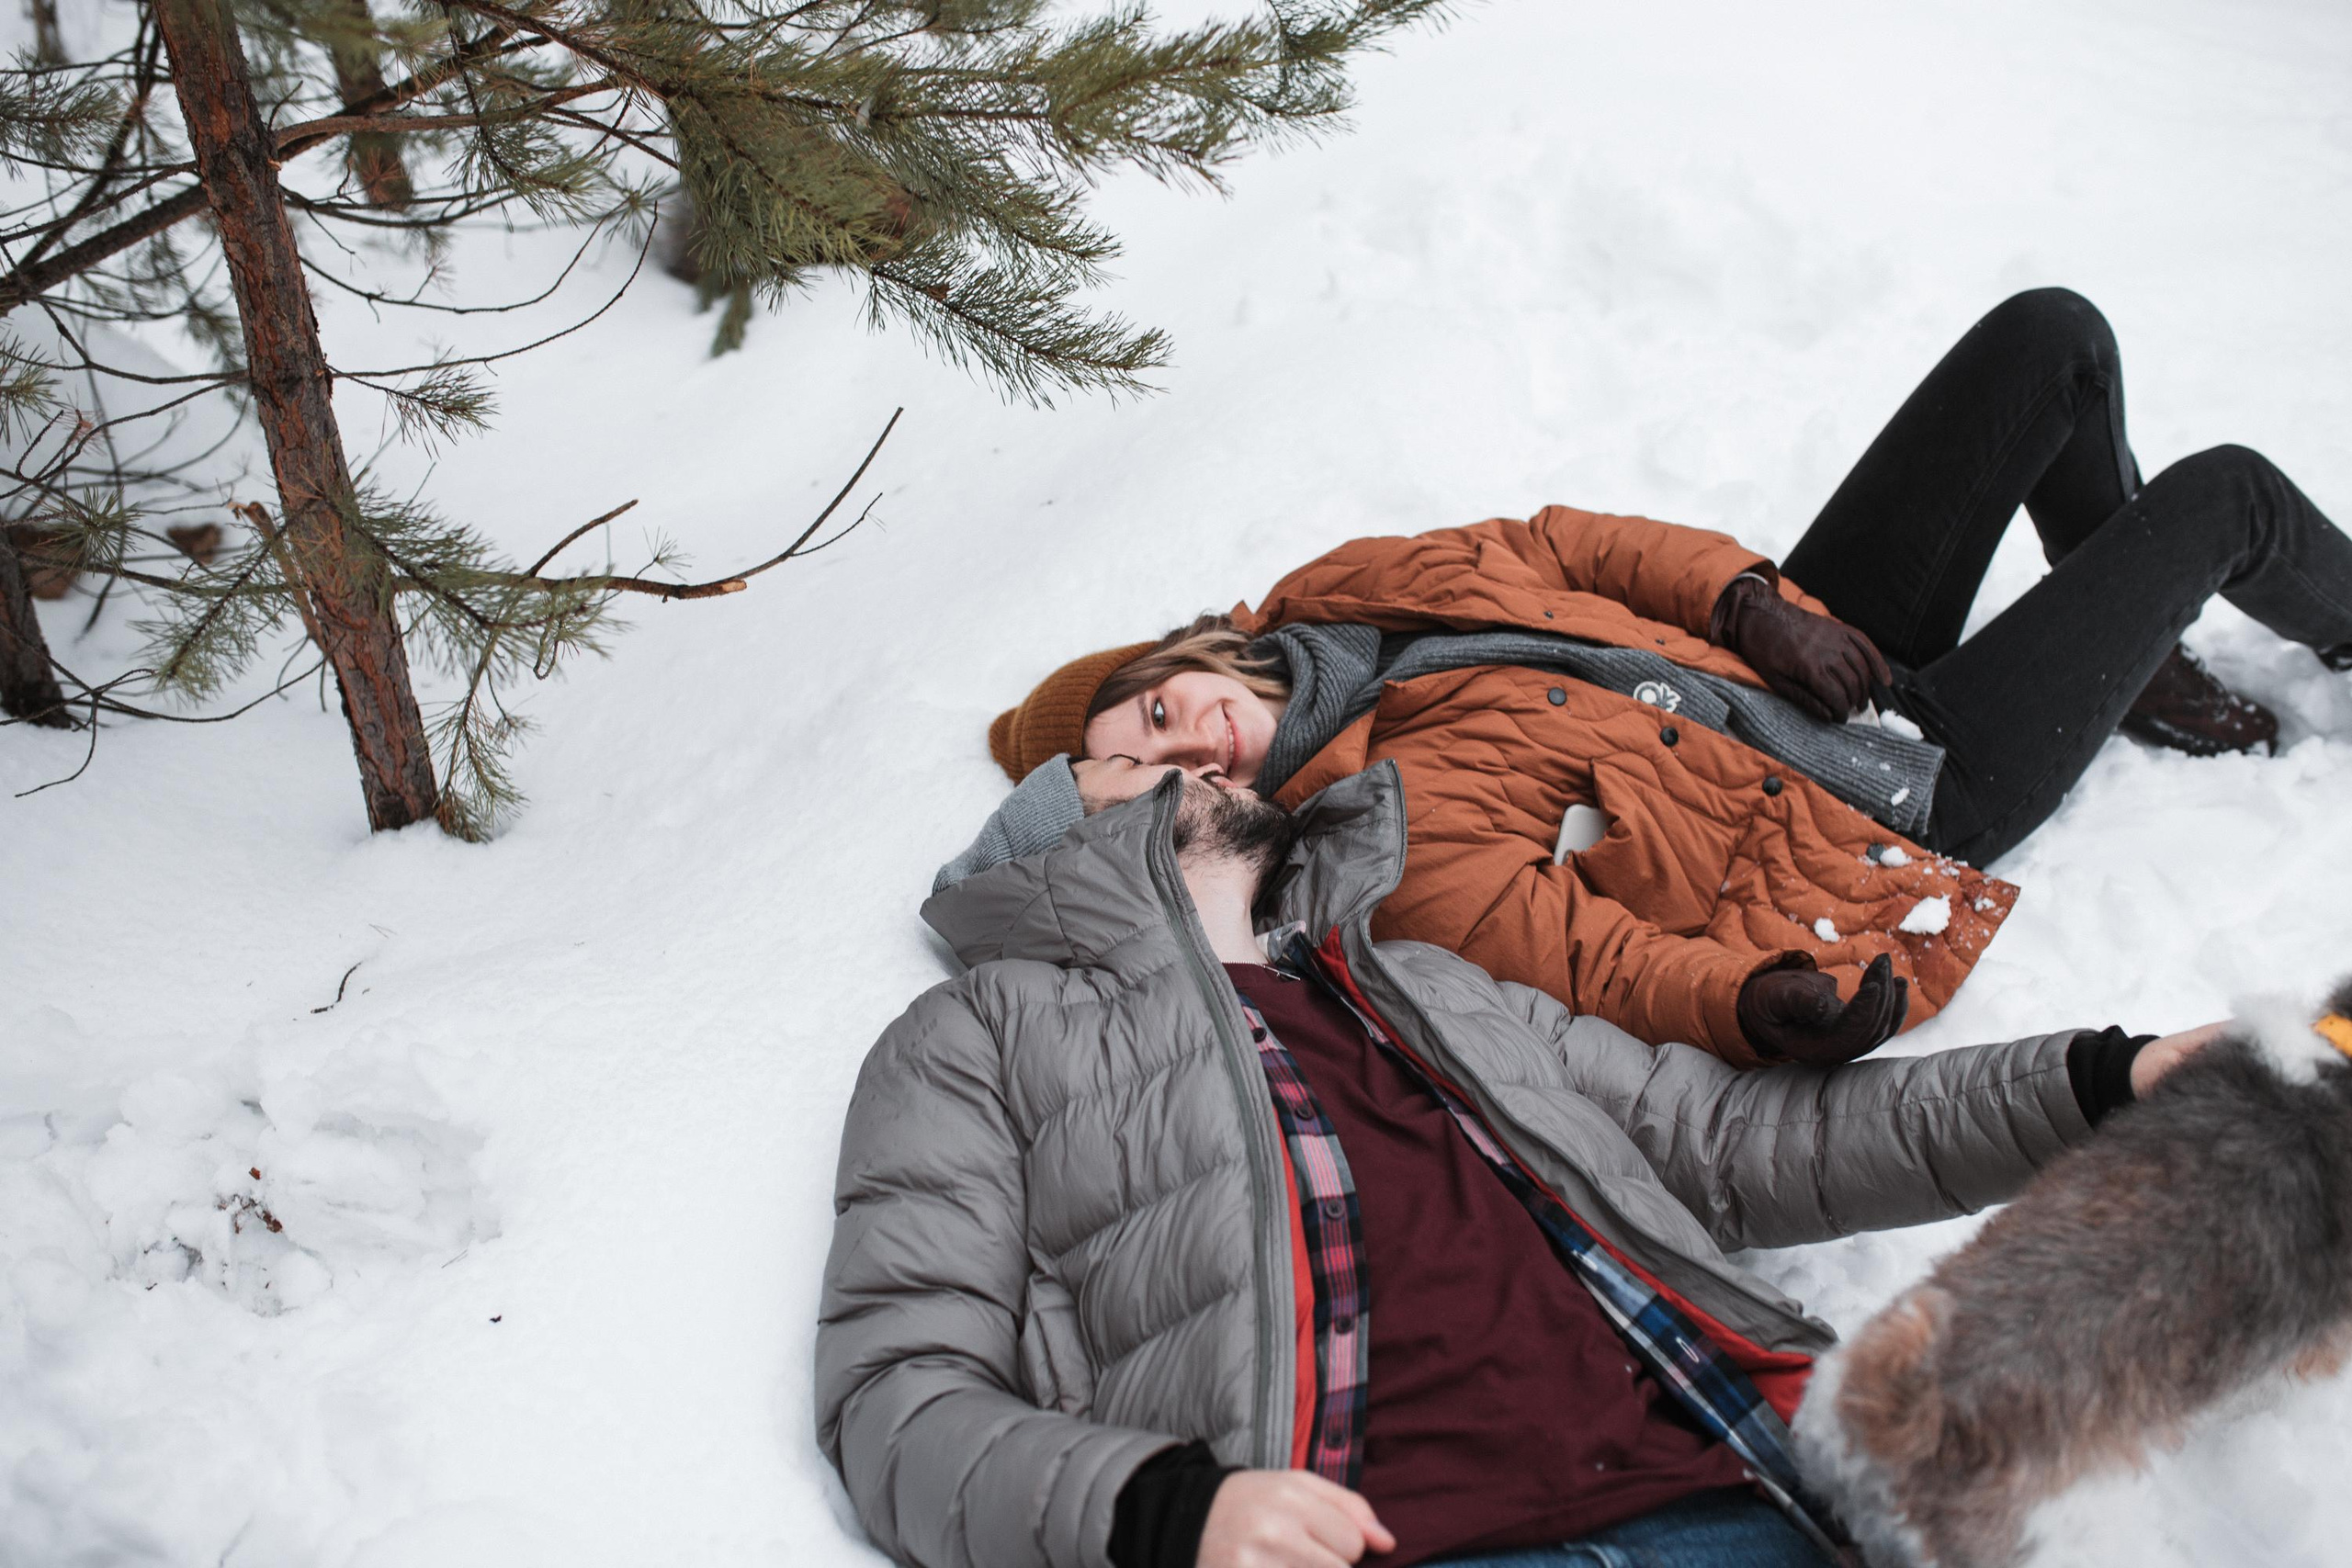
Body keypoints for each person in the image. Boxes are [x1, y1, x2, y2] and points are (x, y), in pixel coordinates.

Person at [820, 764, 2217, 1568]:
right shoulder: (978, 1035)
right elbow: (899, 1395)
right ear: (1070, 836)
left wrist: (2099, 1081)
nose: (1224, 761)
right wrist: (1165, 1509)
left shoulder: (1422, 981)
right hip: (1413, 1544)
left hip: (1748, 1499)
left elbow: (1744, 1144)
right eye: (1144, 764)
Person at [943, 289, 2352, 1067]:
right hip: (1894, 782)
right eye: (1167, 776)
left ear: (1175, 662)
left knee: (2052, 344)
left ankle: (2130, 661)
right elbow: (1589, 962)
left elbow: (1566, 544)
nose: (1195, 743)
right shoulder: (1375, 836)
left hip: (1798, 655)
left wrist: (1750, 603)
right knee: (2228, 497)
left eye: (1150, 711)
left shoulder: (1339, 594)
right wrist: (1751, 1005)